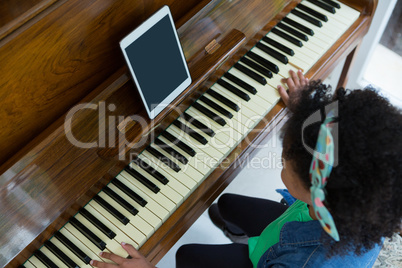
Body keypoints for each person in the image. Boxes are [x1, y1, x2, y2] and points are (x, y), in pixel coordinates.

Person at [90, 70, 402, 267]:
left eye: (287, 154)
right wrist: (306, 114)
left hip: (282, 255)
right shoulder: (365, 201)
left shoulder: (302, 264)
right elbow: (337, 136)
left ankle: (247, 249)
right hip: (295, 229)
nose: (282, 154)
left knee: (186, 256)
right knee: (226, 203)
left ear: (316, 190)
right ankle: (240, 233)